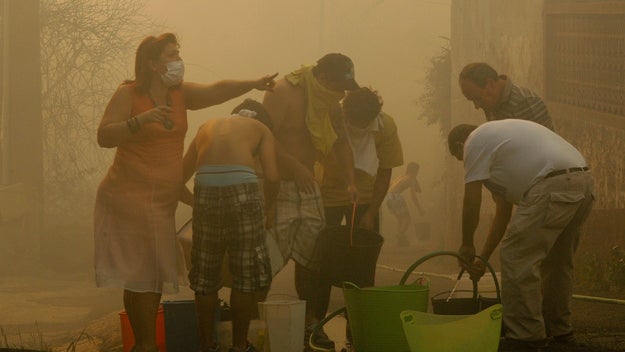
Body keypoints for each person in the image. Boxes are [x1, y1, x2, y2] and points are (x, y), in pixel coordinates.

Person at [94, 32, 277, 352]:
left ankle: (141, 344)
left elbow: (217, 90)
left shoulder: (180, 95)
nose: (179, 61)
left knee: (141, 274)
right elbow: (105, 136)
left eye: (178, 54)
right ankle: (148, 345)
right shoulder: (129, 94)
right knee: (147, 272)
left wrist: (253, 83)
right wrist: (140, 120)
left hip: (163, 199)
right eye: (171, 55)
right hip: (129, 194)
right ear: (152, 64)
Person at [447, 119, 594, 351]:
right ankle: (560, 331)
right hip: (582, 182)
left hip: (550, 184)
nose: (466, 165)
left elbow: (471, 204)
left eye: (460, 160)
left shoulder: (473, 142)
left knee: (517, 257)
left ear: (458, 146)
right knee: (557, 262)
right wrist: (482, 257)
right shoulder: (501, 145)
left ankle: (526, 337)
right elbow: (502, 214)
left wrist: (466, 244)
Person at [262, 53, 359, 350]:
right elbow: (263, 136)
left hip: (308, 186)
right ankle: (259, 328)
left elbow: (342, 141)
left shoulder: (329, 101)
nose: (341, 94)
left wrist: (351, 180)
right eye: (338, 86)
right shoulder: (283, 92)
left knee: (315, 261)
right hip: (277, 185)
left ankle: (311, 327)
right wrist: (293, 166)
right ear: (323, 78)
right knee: (262, 262)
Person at [180, 99, 279, 352]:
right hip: (244, 193)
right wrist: (269, 209)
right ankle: (239, 346)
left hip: (205, 191)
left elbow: (177, 180)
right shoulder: (262, 129)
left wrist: (197, 204)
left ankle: (206, 345)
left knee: (205, 275)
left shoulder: (206, 127)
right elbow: (273, 176)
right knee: (245, 274)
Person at [317, 86, 403, 345]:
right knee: (319, 263)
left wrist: (372, 212)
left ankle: (358, 329)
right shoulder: (330, 120)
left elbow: (386, 171)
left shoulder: (385, 126)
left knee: (362, 268)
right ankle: (316, 324)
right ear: (345, 113)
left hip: (365, 199)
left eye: (365, 123)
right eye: (355, 122)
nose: (360, 127)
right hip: (328, 195)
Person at [459, 62, 554, 130]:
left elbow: (542, 148)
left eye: (478, 99)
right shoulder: (493, 103)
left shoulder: (525, 102)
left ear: (490, 84)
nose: (477, 106)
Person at [386, 162, 425, 246]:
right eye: (417, 171)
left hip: (389, 197)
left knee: (400, 220)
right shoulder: (412, 178)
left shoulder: (402, 176)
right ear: (415, 171)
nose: (418, 173)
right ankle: (400, 234)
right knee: (407, 219)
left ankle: (400, 240)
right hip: (396, 196)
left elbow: (390, 185)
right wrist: (420, 209)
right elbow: (413, 196)